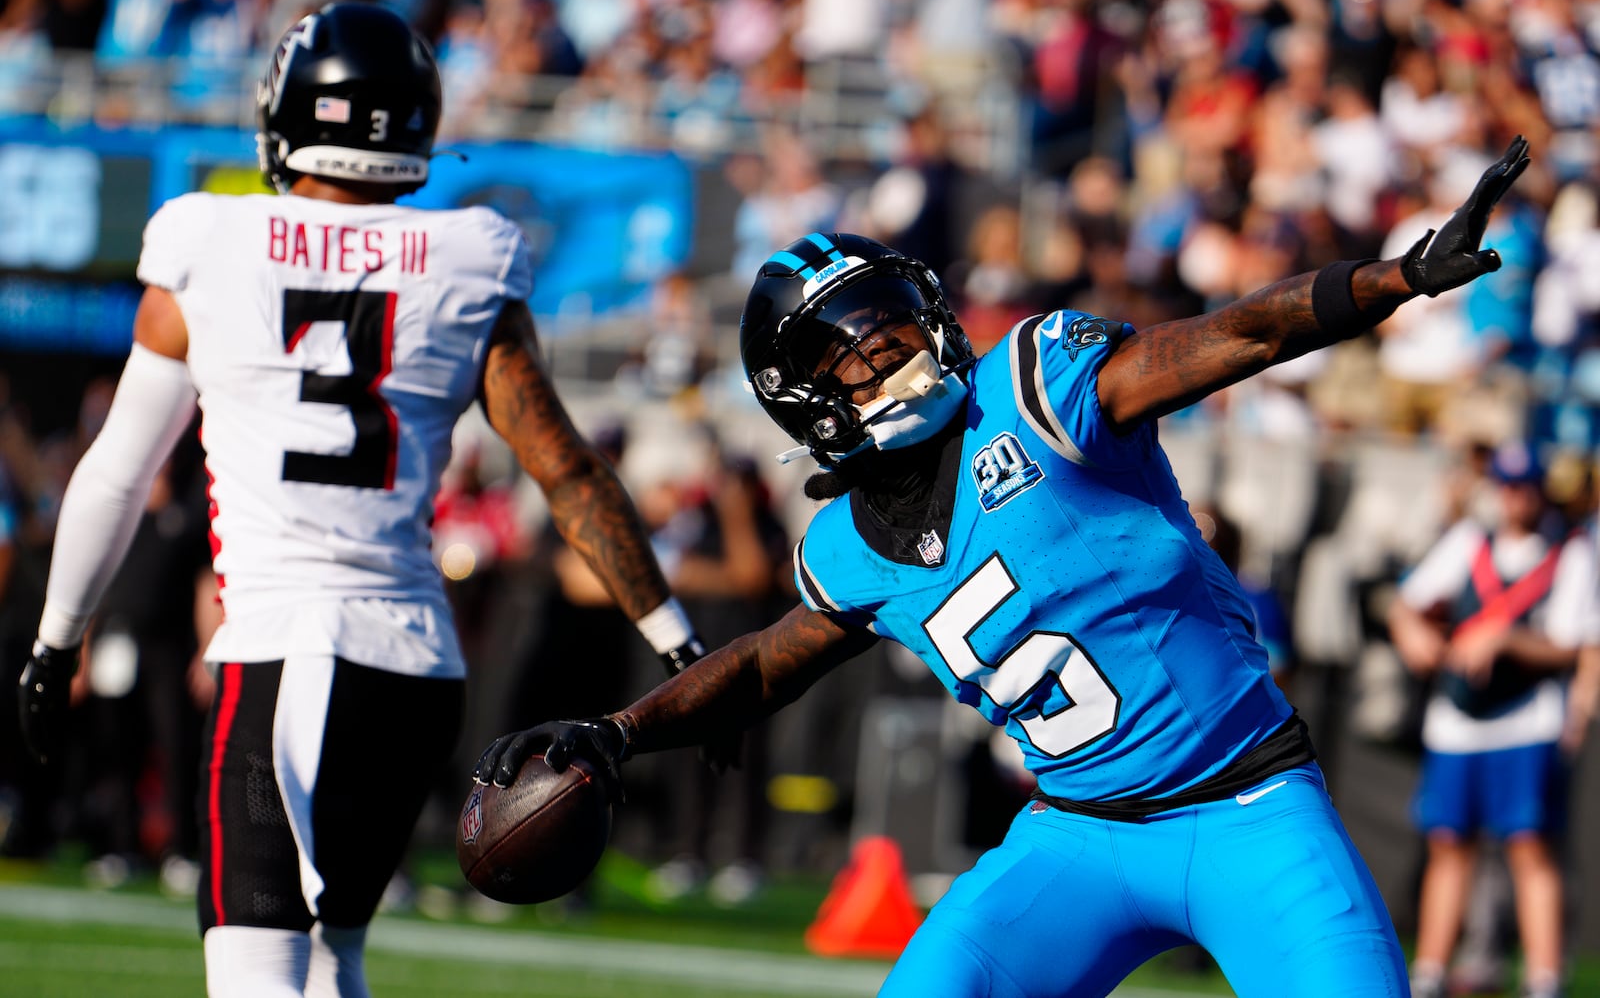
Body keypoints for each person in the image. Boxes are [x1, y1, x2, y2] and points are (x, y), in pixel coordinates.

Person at [477, 137, 1533, 997]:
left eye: (892, 326)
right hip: (1072, 836)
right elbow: (765, 663)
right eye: (854, 351)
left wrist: (1388, 280)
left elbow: (1236, 333)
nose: (891, 351)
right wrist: (622, 730)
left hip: (1249, 805)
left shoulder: (1037, 390)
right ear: (807, 400)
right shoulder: (845, 545)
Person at [16, 1, 709, 998]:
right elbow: (568, 470)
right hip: (414, 663)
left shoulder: (208, 240)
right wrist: (679, 642)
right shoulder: (469, 257)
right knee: (330, 956)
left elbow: (120, 467)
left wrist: (56, 639)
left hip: (287, 647)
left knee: (255, 971)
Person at [1388, 441, 1600, 998]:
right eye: (1505, 487)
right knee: (1448, 843)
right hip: (1457, 719)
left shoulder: (1568, 551)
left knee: (1529, 846)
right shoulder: (1469, 541)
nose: (1514, 499)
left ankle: (1544, 977)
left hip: (1526, 719)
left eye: (1523, 487)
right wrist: (1414, 634)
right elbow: (1405, 602)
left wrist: (1505, 639)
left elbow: (1572, 643)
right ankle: (1430, 971)